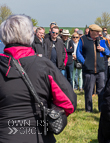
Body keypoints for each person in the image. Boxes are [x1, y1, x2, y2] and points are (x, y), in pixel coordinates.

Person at [0, 14, 77, 143]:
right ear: (30, 36)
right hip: (38, 135)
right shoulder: (44, 66)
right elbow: (69, 102)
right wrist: (49, 109)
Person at [77, 24, 110, 112]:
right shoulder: (83, 39)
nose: (99, 33)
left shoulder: (101, 40)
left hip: (100, 70)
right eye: (97, 32)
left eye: (99, 32)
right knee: (89, 91)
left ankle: (101, 109)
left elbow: (108, 52)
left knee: (101, 91)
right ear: (91, 31)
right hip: (88, 71)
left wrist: (103, 49)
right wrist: (85, 62)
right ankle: (88, 109)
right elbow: (78, 53)